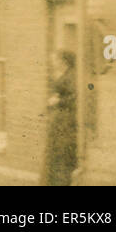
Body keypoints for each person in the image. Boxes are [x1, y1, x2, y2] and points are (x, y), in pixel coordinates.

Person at [44, 50, 78, 186]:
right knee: (55, 154)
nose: (53, 63)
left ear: (64, 61)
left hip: (66, 121)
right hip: (59, 120)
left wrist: (58, 101)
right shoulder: (64, 74)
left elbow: (74, 98)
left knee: (62, 155)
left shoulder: (71, 76)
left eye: (56, 60)